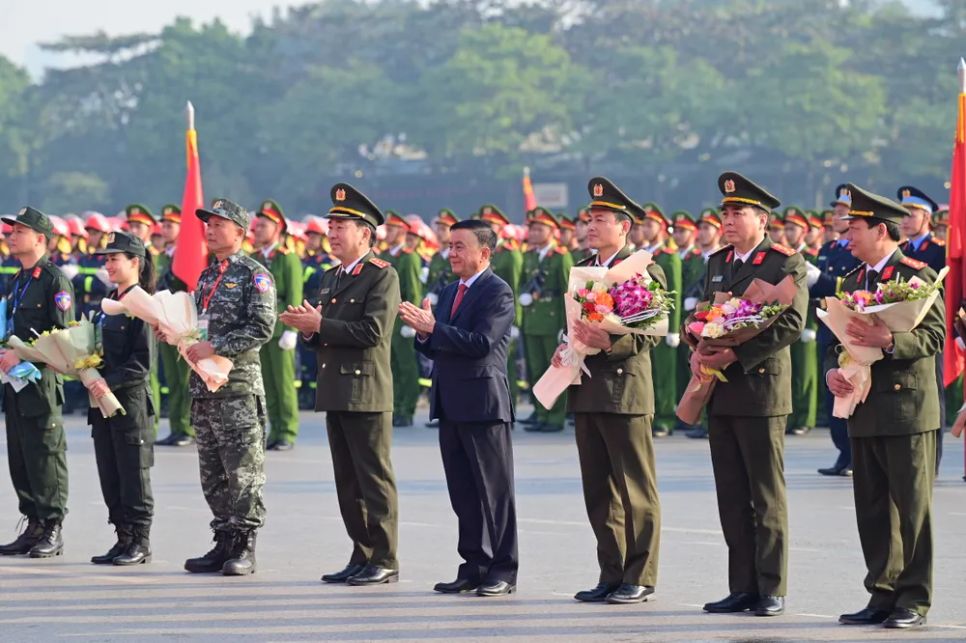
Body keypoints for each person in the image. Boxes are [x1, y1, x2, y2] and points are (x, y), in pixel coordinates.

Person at [826, 183, 943, 629]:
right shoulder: (852, 281)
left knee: (911, 509)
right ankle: (883, 590)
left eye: (854, 227)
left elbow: (932, 337)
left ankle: (913, 598)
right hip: (862, 405)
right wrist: (834, 372)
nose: (846, 234)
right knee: (872, 507)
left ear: (880, 230)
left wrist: (890, 340)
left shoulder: (916, 275)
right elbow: (837, 343)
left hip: (907, 408)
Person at [690, 172, 807, 617]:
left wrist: (737, 358)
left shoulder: (783, 262)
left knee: (765, 495)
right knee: (732, 494)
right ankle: (741, 586)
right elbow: (704, 311)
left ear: (762, 219)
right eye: (725, 212)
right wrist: (696, 339)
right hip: (719, 393)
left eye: (738, 213)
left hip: (760, 391)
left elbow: (790, 324)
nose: (729, 220)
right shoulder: (718, 261)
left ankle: (771, 587)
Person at [280, 183, 401, 587]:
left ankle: (385, 557)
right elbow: (329, 333)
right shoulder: (331, 277)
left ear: (365, 233)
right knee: (347, 481)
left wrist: (320, 325)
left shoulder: (381, 276)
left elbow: (373, 331)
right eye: (330, 226)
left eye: (341, 226)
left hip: (366, 390)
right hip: (336, 387)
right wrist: (310, 330)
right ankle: (361, 553)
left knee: (374, 479)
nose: (332, 233)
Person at [555, 177, 665, 605]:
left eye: (601, 219)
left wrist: (610, 342)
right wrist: (565, 348)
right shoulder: (583, 269)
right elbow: (573, 321)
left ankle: (641, 574)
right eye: (590, 219)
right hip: (587, 388)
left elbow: (648, 333)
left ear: (624, 227)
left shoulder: (642, 269)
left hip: (625, 391)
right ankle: (612, 571)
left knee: (635, 488)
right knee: (599, 489)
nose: (592, 226)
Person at [401, 219, 518, 597]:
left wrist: (433, 328)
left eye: (459, 247)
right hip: (450, 402)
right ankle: (474, 564)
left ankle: (503, 568)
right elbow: (439, 345)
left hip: (483, 403)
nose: (451, 253)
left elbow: (481, 342)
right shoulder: (451, 290)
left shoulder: (498, 292)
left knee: (494, 493)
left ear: (484, 253)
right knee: (463, 492)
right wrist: (424, 333)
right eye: (449, 246)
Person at [181, 198, 275, 576]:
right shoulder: (207, 275)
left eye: (220, 224)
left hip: (237, 388)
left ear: (240, 232)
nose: (211, 230)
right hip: (204, 387)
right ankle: (222, 540)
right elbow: (198, 323)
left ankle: (245, 545)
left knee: (244, 470)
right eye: (208, 224)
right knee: (213, 470)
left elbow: (262, 327)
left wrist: (216, 347)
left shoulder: (255, 274)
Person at [0, 207, 73, 558]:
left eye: (19, 231)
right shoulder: (17, 280)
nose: (11, 236)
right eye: (10, 231)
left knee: (46, 455)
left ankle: (53, 526)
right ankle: (33, 524)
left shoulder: (54, 281)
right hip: (14, 383)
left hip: (41, 382)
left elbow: (63, 337)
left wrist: (23, 355)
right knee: (21, 455)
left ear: (40, 238)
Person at [88, 231, 157, 566]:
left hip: (129, 404)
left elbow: (142, 363)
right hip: (102, 403)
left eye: (115, 258)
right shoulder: (108, 304)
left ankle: (140, 540)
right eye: (107, 259)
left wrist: (107, 381)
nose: (109, 265)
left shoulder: (140, 304)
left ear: (135, 263)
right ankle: (122, 537)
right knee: (110, 472)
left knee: (133, 474)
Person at [806, 185, 860, 476]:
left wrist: (822, 280)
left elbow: (846, 288)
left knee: (849, 391)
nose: (835, 217)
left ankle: (854, 453)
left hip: (849, 329)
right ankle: (842, 452)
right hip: (827, 325)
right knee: (832, 395)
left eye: (841, 213)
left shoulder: (856, 251)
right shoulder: (827, 249)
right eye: (835, 212)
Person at [251, 200, 303, 451]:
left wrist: (292, 329)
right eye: (257, 225)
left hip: (281, 329)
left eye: (263, 225)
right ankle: (274, 429)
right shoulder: (256, 258)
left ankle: (287, 430)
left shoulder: (287, 259)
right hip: (261, 330)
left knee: (283, 383)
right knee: (267, 383)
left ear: (277, 229)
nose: (257, 229)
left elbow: (293, 294)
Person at [520, 208, 572, 432]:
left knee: (555, 370)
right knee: (536, 368)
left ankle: (555, 416)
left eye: (539, 228)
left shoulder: (560, 257)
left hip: (552, 323)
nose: (534, 232)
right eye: (532, 228)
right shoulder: (530, 256)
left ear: (552, 231)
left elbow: (568, 294)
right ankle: (541, 412)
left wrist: (566, 327)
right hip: (533, 320)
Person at [636, 203, 682, 437]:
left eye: (650, 224)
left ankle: (665, 418)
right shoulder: (643, 255)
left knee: (664, 373)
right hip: (646, 321)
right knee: (651, 372)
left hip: (664, 323)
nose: (645, 228)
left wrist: (673, 328)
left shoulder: (669, 257)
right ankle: (652, 415)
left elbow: (675, 292)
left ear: (662, 227)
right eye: (643, 224)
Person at [154, 204, 196, 447]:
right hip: (165, 323)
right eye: (164, 224)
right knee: (172, 378)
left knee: (185, 378)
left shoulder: (187, 256)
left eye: (170, 225)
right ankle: (177, 427)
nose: (165, 229)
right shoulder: (162, 256)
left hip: (183, 323)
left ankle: (188, 427)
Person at [480, 205, 524, 419]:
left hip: (505, 318)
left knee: (507, 367)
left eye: (492, 225)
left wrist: (515, 322)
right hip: (485, 317)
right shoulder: (486, 252)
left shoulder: (510, 255)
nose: (488, 228)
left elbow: (515, 289)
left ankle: (509, 408)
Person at [684, 209, 724, 440]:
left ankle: (709, 421)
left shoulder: (720, 258)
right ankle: (699, 418)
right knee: (697, 370)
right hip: (695, 321)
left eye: (707, 227)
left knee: (712, 371)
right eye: (701, 228)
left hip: (713, 320)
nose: (702, 232)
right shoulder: (698, 259)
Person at [383, 211, 422, 427]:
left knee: (407, 367)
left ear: (402, 232)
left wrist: (411, 320)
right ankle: (396, 406)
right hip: (387, 320)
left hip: (402, 319)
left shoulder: (409, 257)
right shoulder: (387, 256)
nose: (387, 233)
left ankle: (407, 409)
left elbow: (413, 291)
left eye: (391, 229)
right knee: (392, 366)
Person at [782, 207, 818, 437]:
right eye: (787, 228)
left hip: (809, 323)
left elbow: (818, 293)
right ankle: (792, 416)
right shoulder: (785, 256)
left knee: (806, 374)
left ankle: (806, 416)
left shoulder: (813, 256)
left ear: (804, 231)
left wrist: (812, 326)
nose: (788, 232)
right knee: (791, 372)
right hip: (789, 320)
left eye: (793, 228)